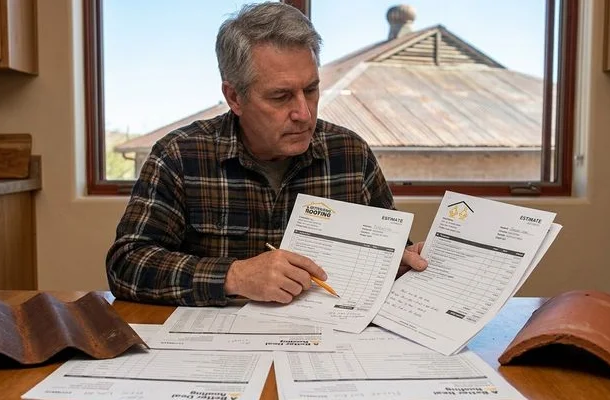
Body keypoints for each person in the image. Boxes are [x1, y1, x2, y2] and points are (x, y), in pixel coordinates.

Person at [106, 2, 427, 307]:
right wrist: (234, 276)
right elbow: (127, 265)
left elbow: (393, 252)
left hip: (327, 337)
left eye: (311, 90)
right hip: (217, 350)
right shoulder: (180, 156)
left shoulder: (350, 154)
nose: (303, 113)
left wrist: (403, 260)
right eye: (281, 96)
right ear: (234, 97)